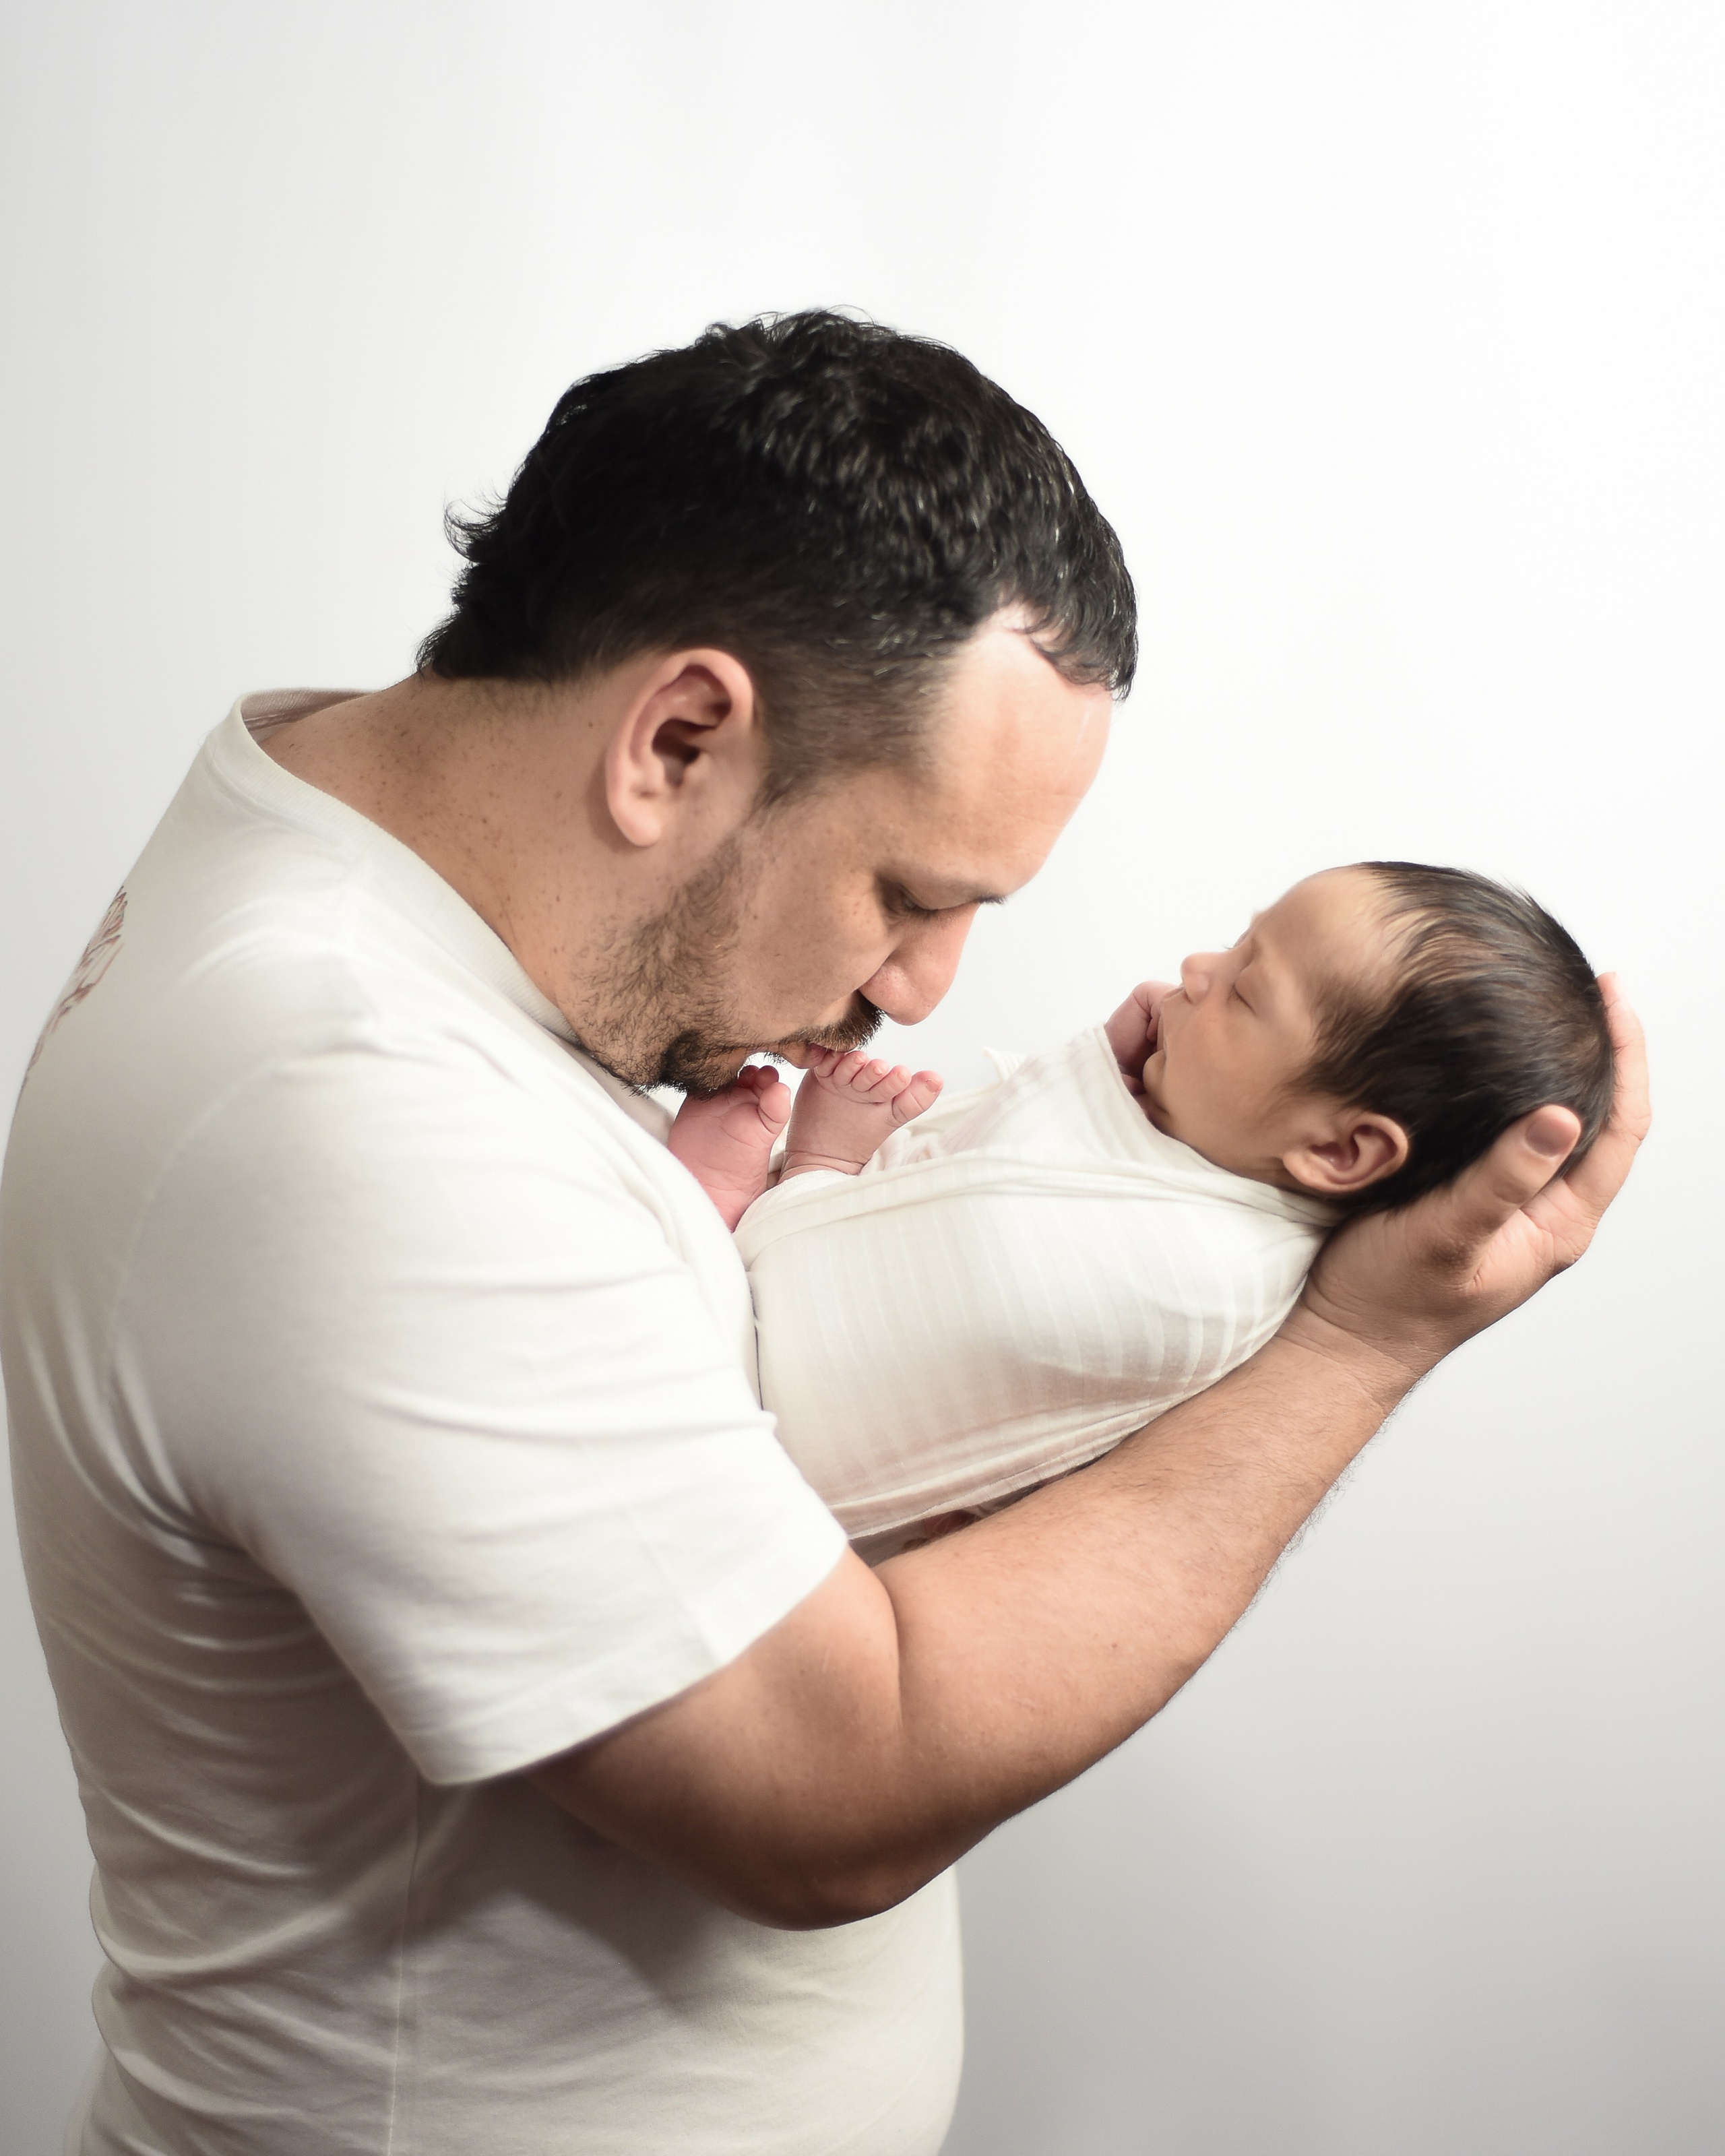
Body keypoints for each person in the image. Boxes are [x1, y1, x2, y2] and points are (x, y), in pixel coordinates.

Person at [0, 312, 1646, 2156]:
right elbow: (828, 1793)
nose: (925, 992)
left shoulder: (369, 855)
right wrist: (1362, 1343)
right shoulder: (342, 1099)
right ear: (680, 737)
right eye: (907, 892)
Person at [668, 863, 1613, 1554]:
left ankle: (747, 1209)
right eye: (1237, 939)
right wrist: (1096, 1078)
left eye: (1244, 988)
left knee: (746, 1319)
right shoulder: (1192, 1172)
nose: (1195, 969)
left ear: (1338, 1150)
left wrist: (828, 1166)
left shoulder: (1200, 1280)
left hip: (758, 1482)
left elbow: (951, 1281)